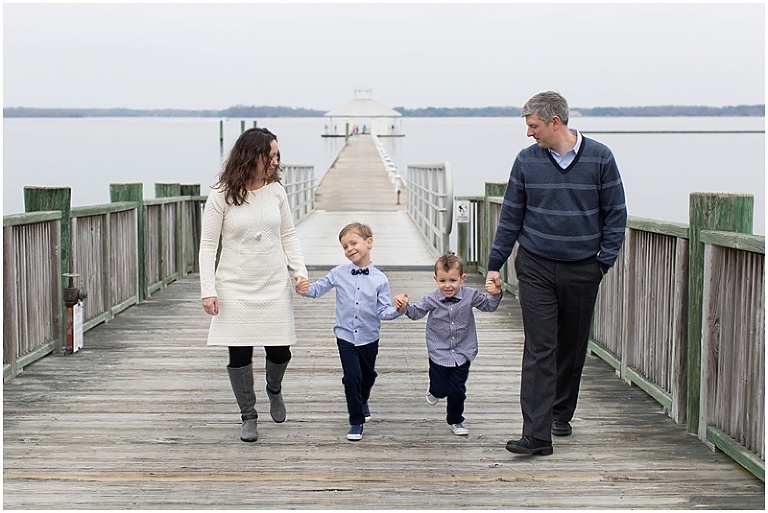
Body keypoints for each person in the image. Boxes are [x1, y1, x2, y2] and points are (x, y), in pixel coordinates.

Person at [485, 91, 627, 456]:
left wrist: (602, 263)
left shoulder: (600, 157)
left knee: (572, 344)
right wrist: (494, 264)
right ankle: (537, 434)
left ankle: (561, 413)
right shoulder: (526, 161)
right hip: (535, 266)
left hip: (583, 268)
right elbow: (511, 217)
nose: (529, 133)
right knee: (540, 346)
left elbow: (616, 215)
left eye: (533, 126)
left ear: (554, 122)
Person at [199, 127, 308, 443]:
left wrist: (299, 271)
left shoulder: (277, 192)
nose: (275, 161)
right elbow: (208, 245)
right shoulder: (221, 195)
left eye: (276, 155)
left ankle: (274, 388)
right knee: (239, 353)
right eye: (269, 155)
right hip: (234, 284)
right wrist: (208, 290)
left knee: (280, 350)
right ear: (251, 157)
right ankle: (248, 415)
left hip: (273, 282)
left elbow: (288, 235)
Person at [296, 222, 402, 441]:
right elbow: (316, 290)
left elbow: (384, 311)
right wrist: (303, 288)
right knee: (352, 377)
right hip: (345, 336)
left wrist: (399, 309)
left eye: (353, 243)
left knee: (368, 375)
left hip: (369, 336)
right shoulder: (338, 273)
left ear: (369, 242)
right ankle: (356, 421)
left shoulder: (380, 279)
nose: (349, 249)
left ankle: (362, 400)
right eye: (345, 246)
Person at [394, 253, 502, 436]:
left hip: (463, 350)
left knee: (457, 390)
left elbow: (488, 306)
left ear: (462, 278)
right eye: (442, 281)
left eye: (453, 280)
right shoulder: (431, 299)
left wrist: (495, 294)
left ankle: (456, 420)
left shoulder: (470, 295)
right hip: (439, 351)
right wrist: (403, 306)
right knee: (440, 388)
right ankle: (434, 391)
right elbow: (415, 313)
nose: (447, 286)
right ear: (435, 279)